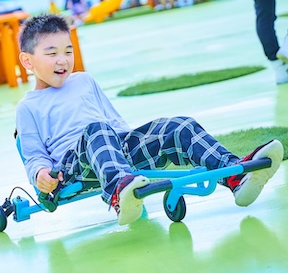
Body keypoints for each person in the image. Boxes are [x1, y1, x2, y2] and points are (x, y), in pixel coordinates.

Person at [15, 14, 284, 225]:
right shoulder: (28, 107)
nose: (63, 60)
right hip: (75, 167)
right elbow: (34, 155)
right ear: (28, 61)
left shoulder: (84, 81)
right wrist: (41, 175)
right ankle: (121, 193)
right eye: (52, 54)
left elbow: (115, 123)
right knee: (97, 130)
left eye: (68, 51)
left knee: (177, 126)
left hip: (116, 150)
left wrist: (142, 143)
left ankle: (236, 175)